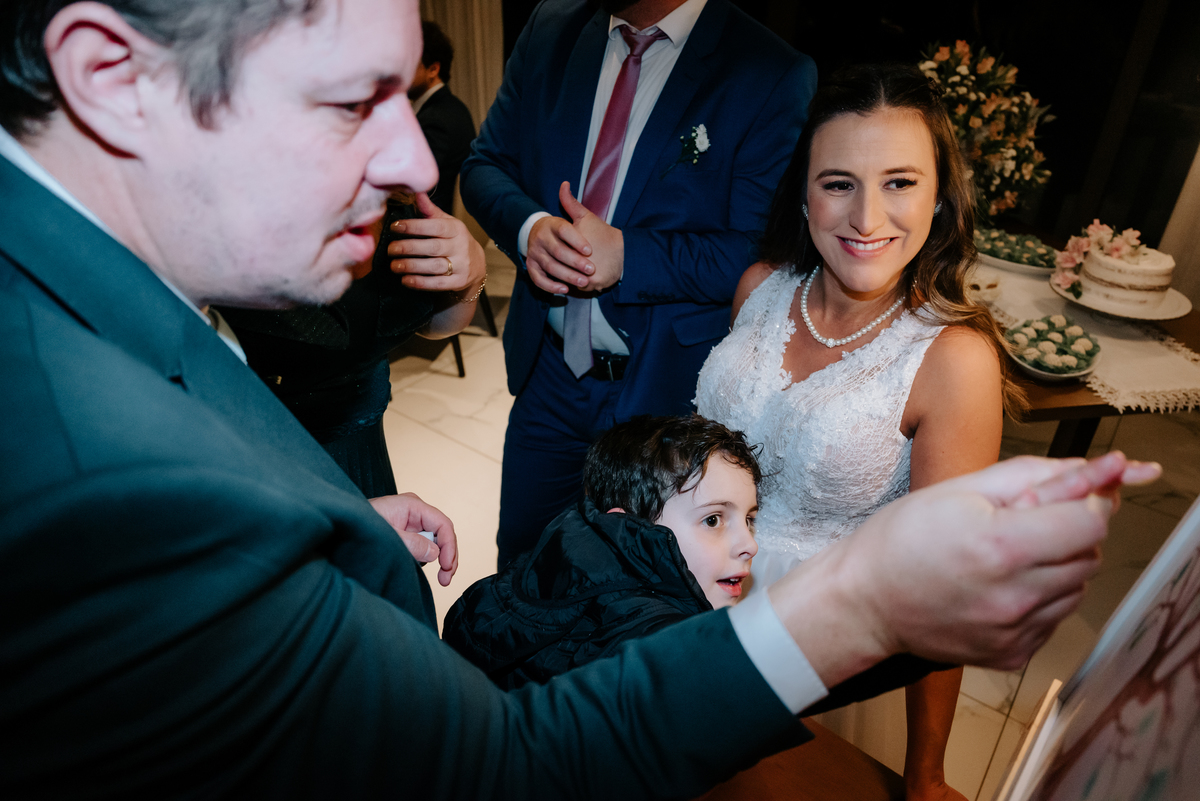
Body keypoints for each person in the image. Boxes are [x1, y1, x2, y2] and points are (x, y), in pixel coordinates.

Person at [0, 1, 1160, 797]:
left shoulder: (68, 297)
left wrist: (327, 521)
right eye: (353, 102)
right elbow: (500, 769)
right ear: (111, 76)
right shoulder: (107, 486)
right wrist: (863, 600)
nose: (417, 164)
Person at [695, 64, 1025, 801]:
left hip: (821, 662)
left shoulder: (953, 361)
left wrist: (926, 775)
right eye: (839, 183)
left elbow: (944, 592)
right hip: (689, 612)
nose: (867, 217)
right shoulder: (760, 289)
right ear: (804, 194)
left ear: (940, 198)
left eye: (899, 182)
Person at [459, 0, 818, 566]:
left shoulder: (769, 70)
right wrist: (530, 229)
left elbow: (759, 251)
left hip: (667, 392)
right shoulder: (551, 27)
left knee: (639, 583)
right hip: (549, 374)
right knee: (525, 567)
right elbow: (485, 164)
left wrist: (629, 256)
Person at [443, 415, 760, 688]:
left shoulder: (557, 561)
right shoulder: (669, 650)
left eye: (749, 520)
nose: (750, 545)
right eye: (713, 520)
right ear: (625, 525)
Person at [220, 192, 487, 497]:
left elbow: (431, 323)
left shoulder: (393, 198)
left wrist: (473, 275)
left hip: (364, 452)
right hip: (258, 466)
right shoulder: (232, 221)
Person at [409, 21, 477, 215]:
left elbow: (412, 186)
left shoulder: (437, 118)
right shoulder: (451, 107)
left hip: (431, 221)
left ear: (433, 69)